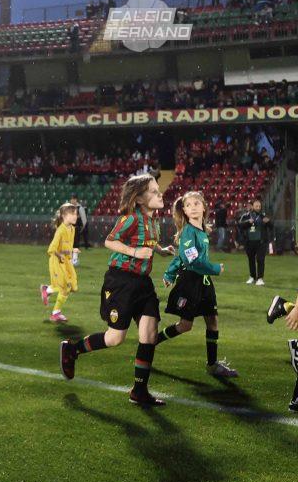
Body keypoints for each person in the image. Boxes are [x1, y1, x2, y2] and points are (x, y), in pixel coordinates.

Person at [59, 174, 174, 406]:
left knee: (149, 334)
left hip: (143, 283)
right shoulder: (130, 218)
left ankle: (139, 391)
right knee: (115, 338)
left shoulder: (154, 220)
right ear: (140, 199)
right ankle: (73, 349)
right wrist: (135, 253)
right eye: (153, 191)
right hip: (120, 282)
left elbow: (148, 244)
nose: (159, 193)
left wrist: (160, 250)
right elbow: (110, 242)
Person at [157, 192, 238, 377]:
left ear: (204, 207)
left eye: (196, 203)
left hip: (204, 282)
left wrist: (169, 273)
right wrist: (215, 268)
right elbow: (191, 261)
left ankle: (212, 365)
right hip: (190, 282)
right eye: (189, 205)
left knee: (212, 321)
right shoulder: (188, 231)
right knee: (185, 325)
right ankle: (153, 340)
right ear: (184, 211)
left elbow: (182, 257)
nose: (193, 207)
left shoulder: (201, 231)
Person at [41, 203, 79, 323]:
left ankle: (47, 290)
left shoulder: (72, 229)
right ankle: (55, 313)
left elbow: (68, 246)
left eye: (76, 214)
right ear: (64, 216)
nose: (75, 216)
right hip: (57, 261)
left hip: (66, 262)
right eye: (72, 214)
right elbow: (51, 249)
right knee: (64, 287)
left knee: (72, 286)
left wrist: (73, 251)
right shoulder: (60, 231)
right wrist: (61, 254)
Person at [237, 199, 271, 285]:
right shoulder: (246, 216)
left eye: (259, 206)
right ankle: (252, 277)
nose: (258, 208)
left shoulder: (263, 216)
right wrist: (248, 222)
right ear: (252, 206)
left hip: (261, 242)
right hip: (249, 242)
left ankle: (260, 278)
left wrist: (268, 222)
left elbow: (271, 226)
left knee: (260, 259)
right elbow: (240, 225)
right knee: (251, 260)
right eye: (256, 206)